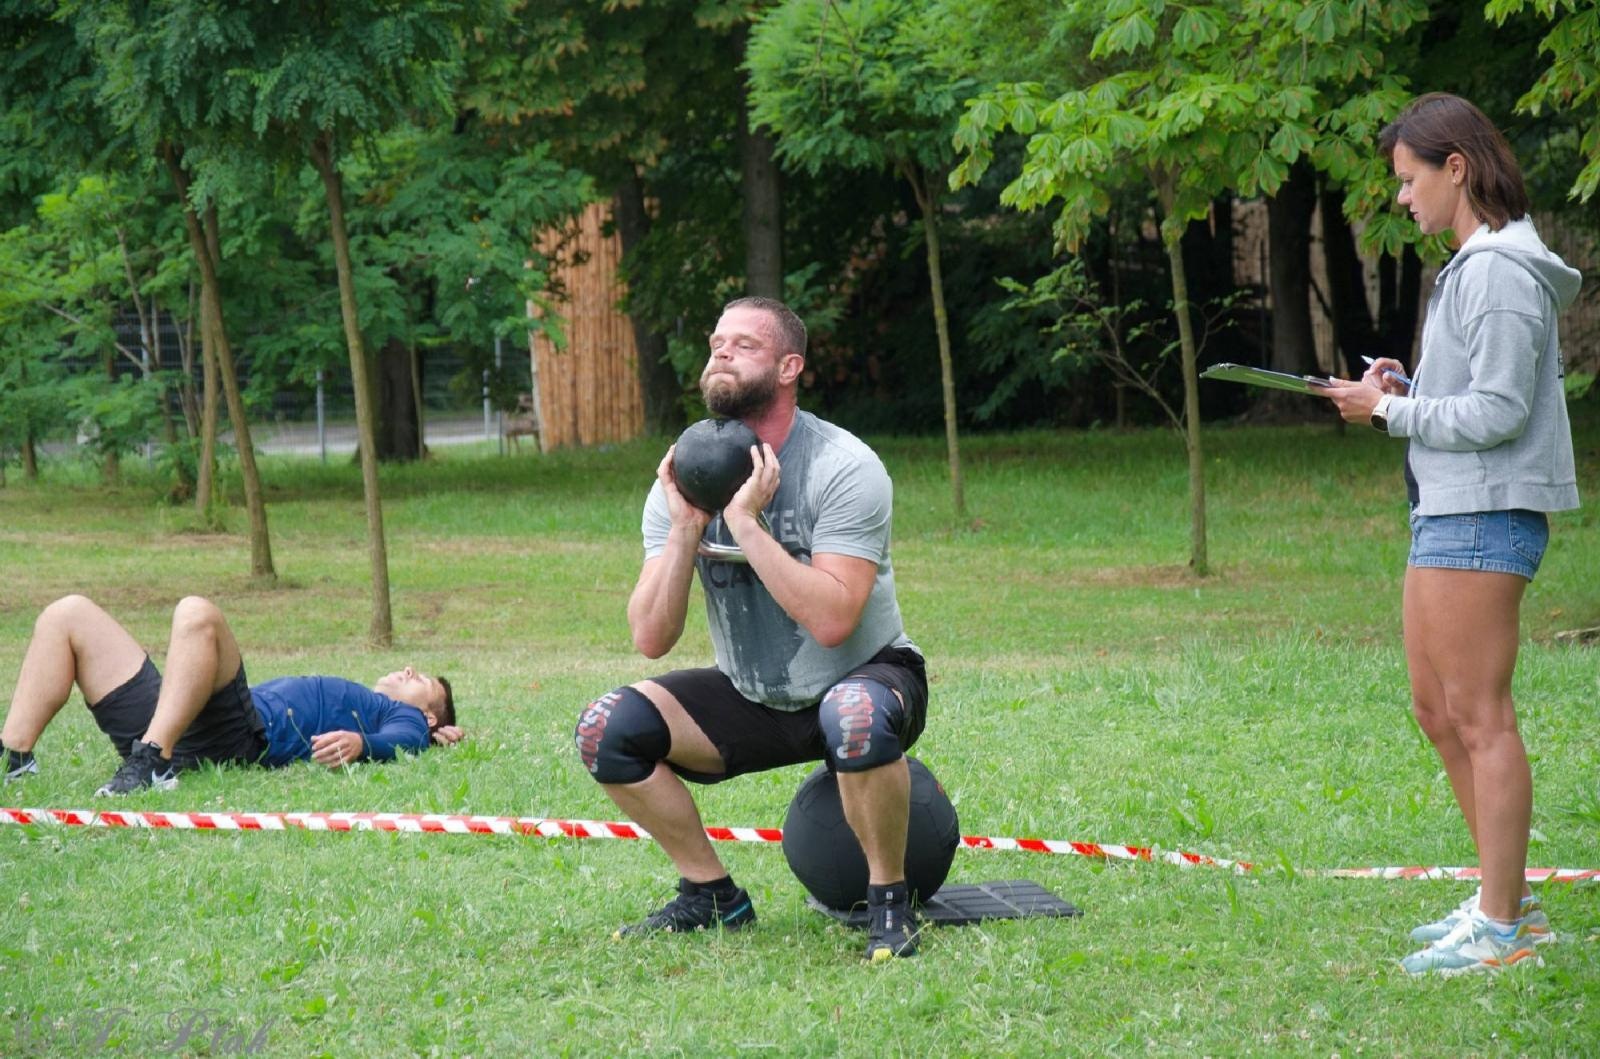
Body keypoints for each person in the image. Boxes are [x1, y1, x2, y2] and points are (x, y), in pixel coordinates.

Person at [575, 296, 929, 961]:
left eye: (745, 343)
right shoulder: (686, 474)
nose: (722, 352)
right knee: (606, 728)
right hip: (753, 694)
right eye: (716, 343)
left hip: (863, 679)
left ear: (790, 366)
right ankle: (712, 894)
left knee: (852, 713)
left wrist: (744, 523)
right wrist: (688, 525)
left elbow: (832, 620)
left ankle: (889, 900)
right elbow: (651, 634)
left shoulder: (844, 467)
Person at [1323, 93, 1580, 976]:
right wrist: (1407, 383)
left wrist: (1390, 409)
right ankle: (1502, 900)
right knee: (1437, 711)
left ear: (1456, 168)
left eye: (1408, 179)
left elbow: (1502, 411)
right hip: (1445, 508)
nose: (1402, 198)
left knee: (1479, 715)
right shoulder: (1473, 266)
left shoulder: (1504, 270)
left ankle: (1505, 928)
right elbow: (1467, 392)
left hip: (1484, 510)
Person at [2, 594, 463, 795]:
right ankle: (15, 759)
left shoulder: (396, 720)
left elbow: (407, 740)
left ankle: (151, 764)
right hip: (178, 715)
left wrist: (366, 744)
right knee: (68, 614)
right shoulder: (373, 703)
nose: (409, 669)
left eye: (423, 682)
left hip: (230, 734)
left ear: (428, 717)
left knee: (197, 613)